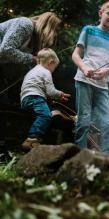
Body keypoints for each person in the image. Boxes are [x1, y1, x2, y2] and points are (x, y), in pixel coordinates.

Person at [0, 11, 61, 152]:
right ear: (48, 27)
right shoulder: (25, 24)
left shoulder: (30, 39)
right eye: (55, 31)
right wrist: (32, 59)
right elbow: (5, 50)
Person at [72, 1, 109, 156]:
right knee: (84, 120)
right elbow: (75, 55)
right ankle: (81, 155)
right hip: (84, 80)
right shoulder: (89, 30)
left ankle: (106, 158)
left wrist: (105, 71)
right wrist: (85, 68)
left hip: (102, 85)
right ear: (101, 13)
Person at [20, 48, 71, 150]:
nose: (53, 70)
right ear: (51, 62)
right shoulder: (46, 72)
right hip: (35, 97)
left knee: (45, 111)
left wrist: (49, 97)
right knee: (45, 115)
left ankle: (53, 114)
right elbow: (51, 91)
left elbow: (39, 88)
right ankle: (32, 139)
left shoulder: (33, 70)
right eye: (54, 67)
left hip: (25, 99)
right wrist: (60, 94)